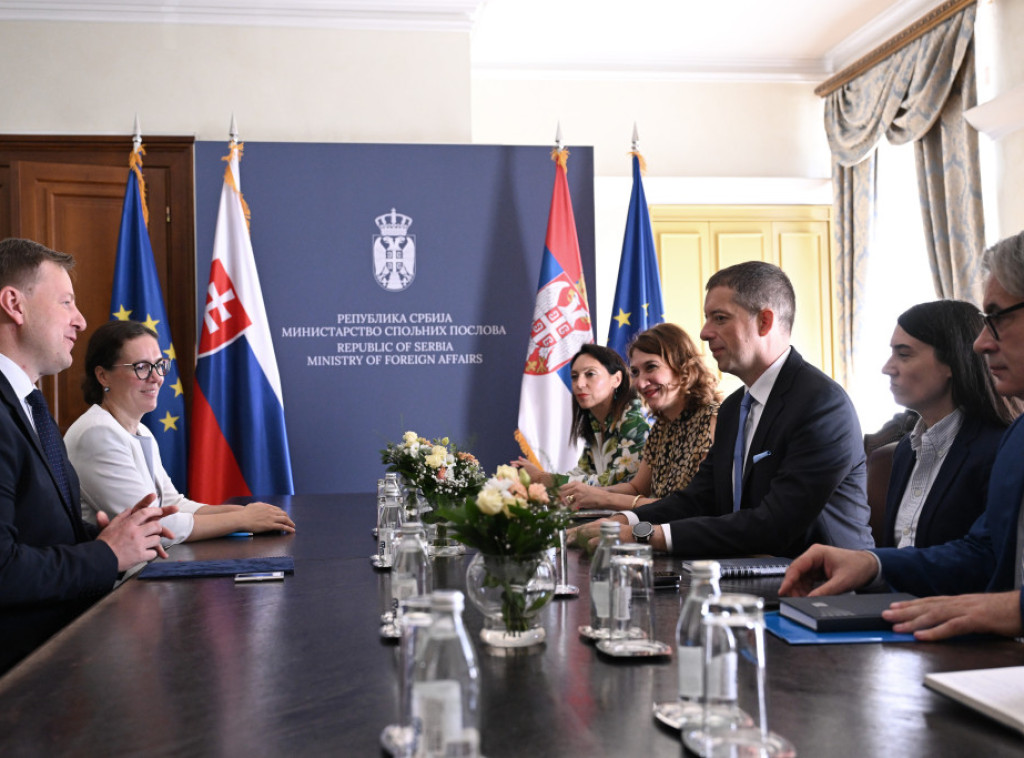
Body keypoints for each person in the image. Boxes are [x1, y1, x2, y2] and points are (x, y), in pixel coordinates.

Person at [780, 230, 1024, 641]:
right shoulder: (1018, 438)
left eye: (997, 318)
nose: (982, 343)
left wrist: (1012, 609)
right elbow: (985, 551)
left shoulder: (999, 441)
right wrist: (872, 563)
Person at [572, 261, 874, 557]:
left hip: (821, 581)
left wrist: (643, 535)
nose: (704, 333)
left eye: (719, 318)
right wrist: (621, 522)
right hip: (749, 572)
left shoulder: (820, 405)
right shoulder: (734, 408)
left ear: (764, 321)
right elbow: (698, 500)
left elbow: (775, 525)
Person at [0, 237, 179, 673]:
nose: (80, 321)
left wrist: (105, 535)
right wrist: (107, 553)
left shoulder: (30, 406)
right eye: (66, 302)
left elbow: (37, 531)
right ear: (14, 305)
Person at [65, 320, 296, 545]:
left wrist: (246, 512)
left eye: (159, 365)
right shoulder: (96, 434)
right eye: (142, 367)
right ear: (103, 375)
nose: (157, 378)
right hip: (119, 571)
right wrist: (243, 519)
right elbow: (152, 524)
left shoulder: (141, 430)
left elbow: (173, 504)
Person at [879, 300, 1014, 548]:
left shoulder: (998, 450)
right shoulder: (905, 450)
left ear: (952, 362)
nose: (887, 368)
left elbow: (988, 556)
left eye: (904, 354)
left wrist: (873, 563)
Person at [559, 323, 719, 512]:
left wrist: (604, 498)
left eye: (651, 367)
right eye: (635, 372)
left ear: (683, 366)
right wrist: (585, 493)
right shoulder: (662, 427)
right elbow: (636, 488)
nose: (640, 383)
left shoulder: (712, 421)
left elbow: (691, 507)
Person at [513, 343, 650, 490]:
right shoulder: (596, 422)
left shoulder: (634, 421)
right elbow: (584, 473)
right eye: (574, 376)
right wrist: (537, 483)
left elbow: (617, 484)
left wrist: (545, 479)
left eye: (590, 374)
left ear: (616, 379)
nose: (579, 384)